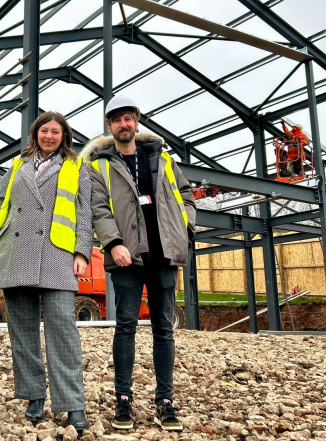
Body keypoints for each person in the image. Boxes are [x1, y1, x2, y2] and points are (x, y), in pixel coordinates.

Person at [81, 94, 196, 433]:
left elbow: (186, 196)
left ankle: (165, 401)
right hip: (125, 257)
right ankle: (124, 399)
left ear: (137, 120)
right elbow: (98, 208)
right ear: (109, 126)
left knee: (163, 328)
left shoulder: (163, 159)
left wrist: (185, 227)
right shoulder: (99, 164)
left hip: (163, 255)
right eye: (117, 119)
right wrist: (113, 243)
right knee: (126, 326)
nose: (124, 124)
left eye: (128, 118)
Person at [0, 111, 92, 432]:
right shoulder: (18, 164)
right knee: (23, 331)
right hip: (15, 252)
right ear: (36, 134)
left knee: (64, 331)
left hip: (56, 253)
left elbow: (83, 211)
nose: (49, 136)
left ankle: (73, 403)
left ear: (64, 136)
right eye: (44, 131)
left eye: (55, 132)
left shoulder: (76, 167)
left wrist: (82, 251)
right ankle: (33, 395)